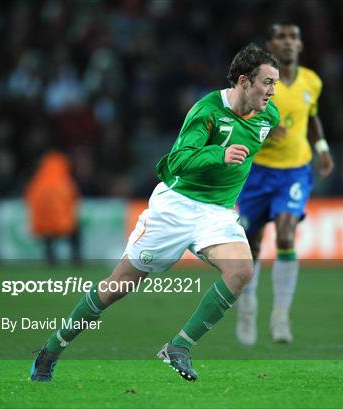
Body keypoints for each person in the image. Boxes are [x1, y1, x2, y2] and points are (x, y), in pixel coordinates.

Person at [30, 43, 280, 382]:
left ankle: (179, 346)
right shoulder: (206, 111)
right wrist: (217, 156)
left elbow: (259, 143)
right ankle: (50, 351)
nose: (272, 91)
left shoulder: (269, 115)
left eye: (276, 83)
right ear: (243, 81)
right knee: (117, 287)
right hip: (176, 207)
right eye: (267, 82)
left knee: (240, 271)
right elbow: (172, 163)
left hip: (217, 212)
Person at [235, 23, 334, 346]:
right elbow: (238, 116)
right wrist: (263, 129)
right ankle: (248, 306)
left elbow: (312, 117)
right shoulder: (255, 82)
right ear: (270, 45)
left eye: (294, 37)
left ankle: (280, 315)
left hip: (294, 172)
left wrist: (321, 149)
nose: (288, 42)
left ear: (301, 45)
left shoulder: (312, 81)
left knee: (287, 233)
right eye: (281, 37)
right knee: (251, 244)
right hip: (257, 172)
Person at [25, 151, 80, 265]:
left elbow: (29, 201)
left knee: (48, 239)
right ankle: (76, 260)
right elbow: (74, 201)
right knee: (75, 234)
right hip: (62, 224)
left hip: (44, 226)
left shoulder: (36, 183)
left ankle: (51, 261)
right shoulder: (65, 183)